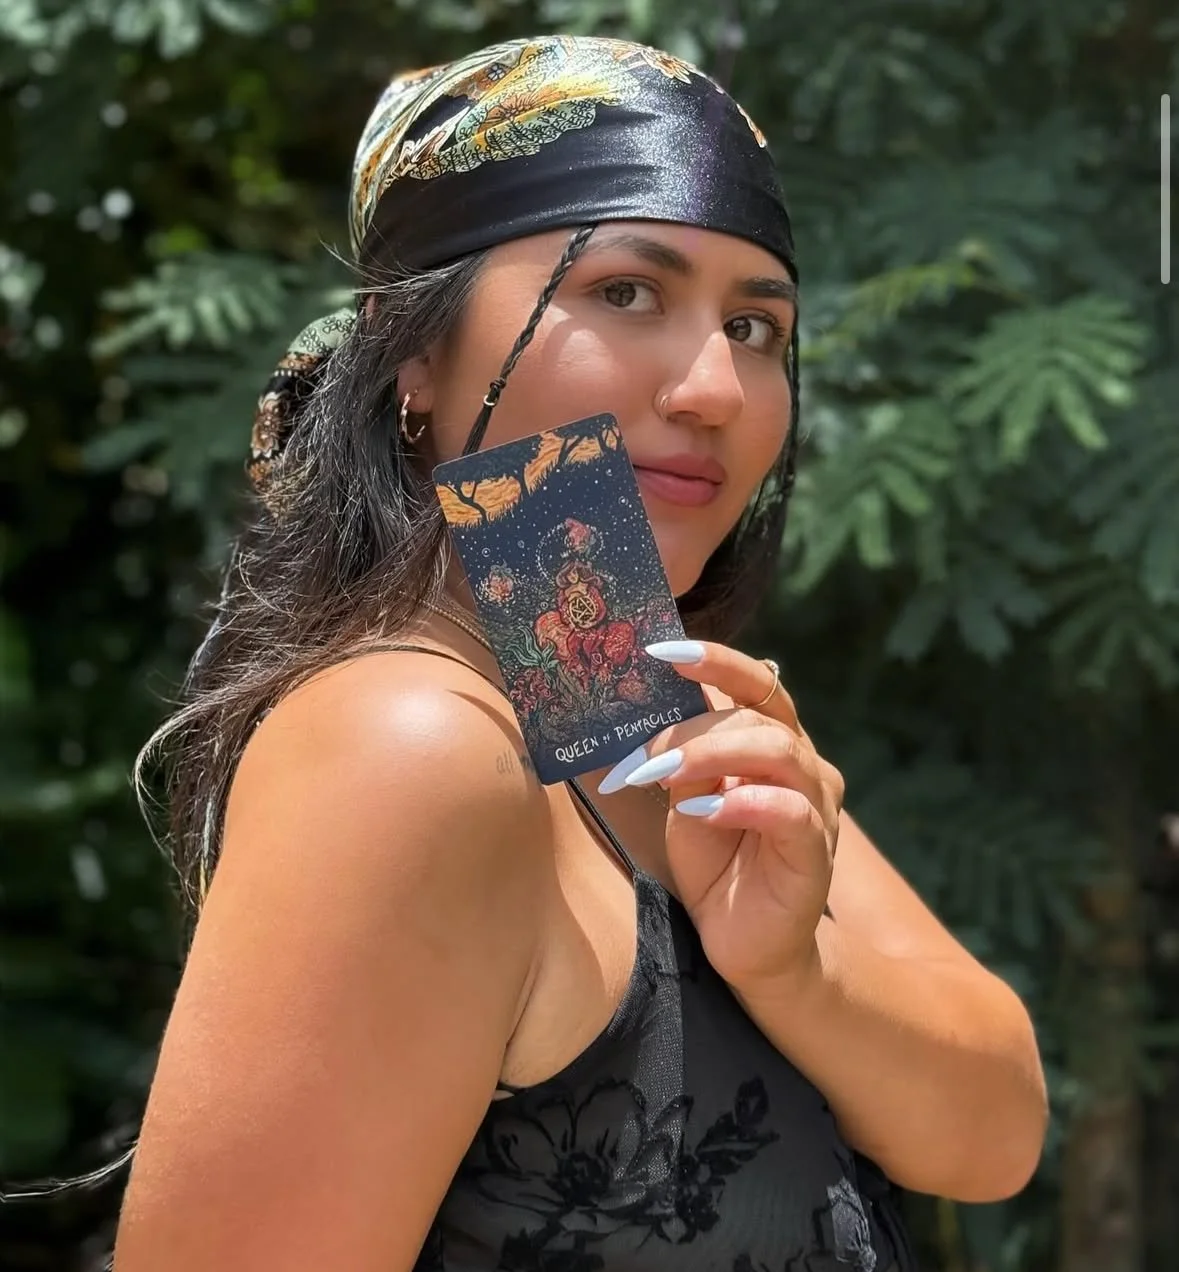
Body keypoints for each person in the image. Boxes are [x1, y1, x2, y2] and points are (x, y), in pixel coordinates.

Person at [112, 34, 1048, 1272]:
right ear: (414, 353)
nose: (716, 384)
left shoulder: (611, 671)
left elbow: (992, 1132)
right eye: (626, 292)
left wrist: (796, 970)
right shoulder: (408, 748)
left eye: (760, 325)